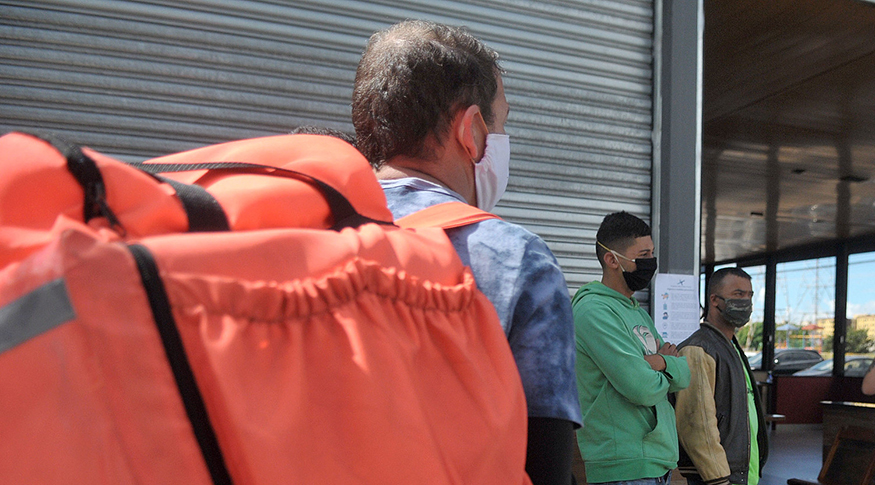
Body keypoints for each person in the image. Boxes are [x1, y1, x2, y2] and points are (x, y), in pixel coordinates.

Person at [352, 19, 582, 485]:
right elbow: (545, 461)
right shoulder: (518, 261)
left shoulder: (299, 230)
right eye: (502, 121)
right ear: (472, 130)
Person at [572, 211, 690, 484]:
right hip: (624, 465)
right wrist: (662, 366)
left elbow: (684, 373)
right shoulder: (594, 311)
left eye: (652, 253)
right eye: (643, 254)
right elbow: (641, 388)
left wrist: (659, 362)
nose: (651, 262)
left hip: (655, 461)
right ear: (612, 259)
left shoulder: (637, 312)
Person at [674, 267, 769, 485]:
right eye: (738, 294)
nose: (746, 302)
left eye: (749, 295)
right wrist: (718, 479)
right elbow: (696, 423)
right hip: (717, 480)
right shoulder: (699, 349)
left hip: (741, 476)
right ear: (715, 300)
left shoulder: (732, 348)